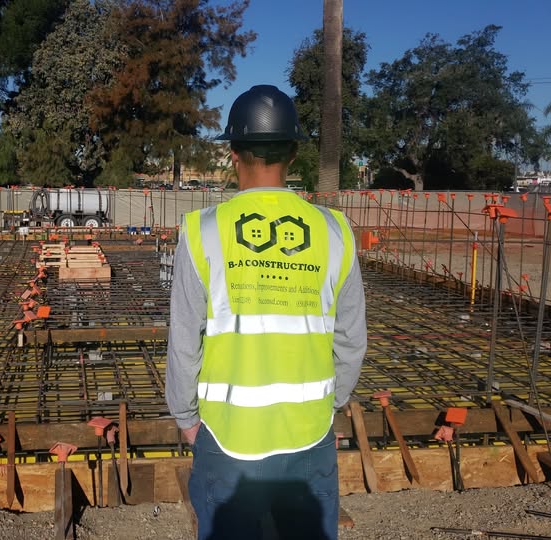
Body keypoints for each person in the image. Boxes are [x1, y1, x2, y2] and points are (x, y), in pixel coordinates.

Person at [166, 85, 366, 540]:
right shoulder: (335, 230)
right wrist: (331, 407)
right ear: (293, 153)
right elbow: (352, 339)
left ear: (233, 154)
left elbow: (184, 340)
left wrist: (185, 418)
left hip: (226, 435)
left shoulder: (203, 231)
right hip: (310, 436)